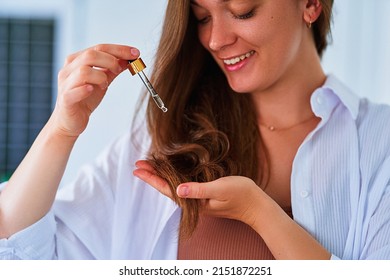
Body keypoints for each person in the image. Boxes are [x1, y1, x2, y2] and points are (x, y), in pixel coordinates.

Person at [0, 0, 389, 260]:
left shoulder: (379, 141)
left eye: (242, 10)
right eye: (202, 17)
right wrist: (61, 131)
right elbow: (18, 253)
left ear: (309, 4)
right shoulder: (161, 142)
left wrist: (260, 213)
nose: (216, 39)